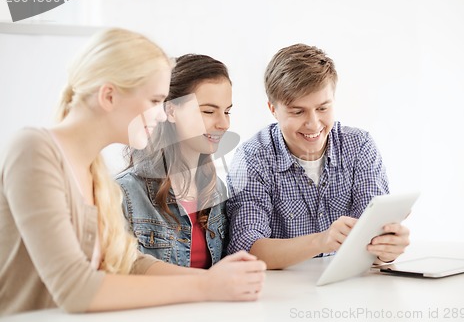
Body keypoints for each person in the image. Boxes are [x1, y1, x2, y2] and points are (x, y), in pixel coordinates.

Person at [0, 28, 265, 317]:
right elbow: (77, 288)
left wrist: (214, 280)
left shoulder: (93, 170)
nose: (163, 114)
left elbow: (129, 262)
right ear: (109, 96)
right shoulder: (35, 149)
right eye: (154, 101)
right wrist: (206, 288)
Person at [226, 43, 410, 270]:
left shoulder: (359, 146)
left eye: (323, 108)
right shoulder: (252, 157)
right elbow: (246, 250)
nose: (313, 123)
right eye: (297, 111)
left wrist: (386, 252)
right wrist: (321, 241)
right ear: (273, 109)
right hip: (281, 295)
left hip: (348, 287)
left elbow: (372, 239)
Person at [116, 54, 233, 268]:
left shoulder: (215, 189)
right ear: (171, 110)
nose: (224, 123)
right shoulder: (124, 194)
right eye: (208, 111)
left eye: (227, 111)